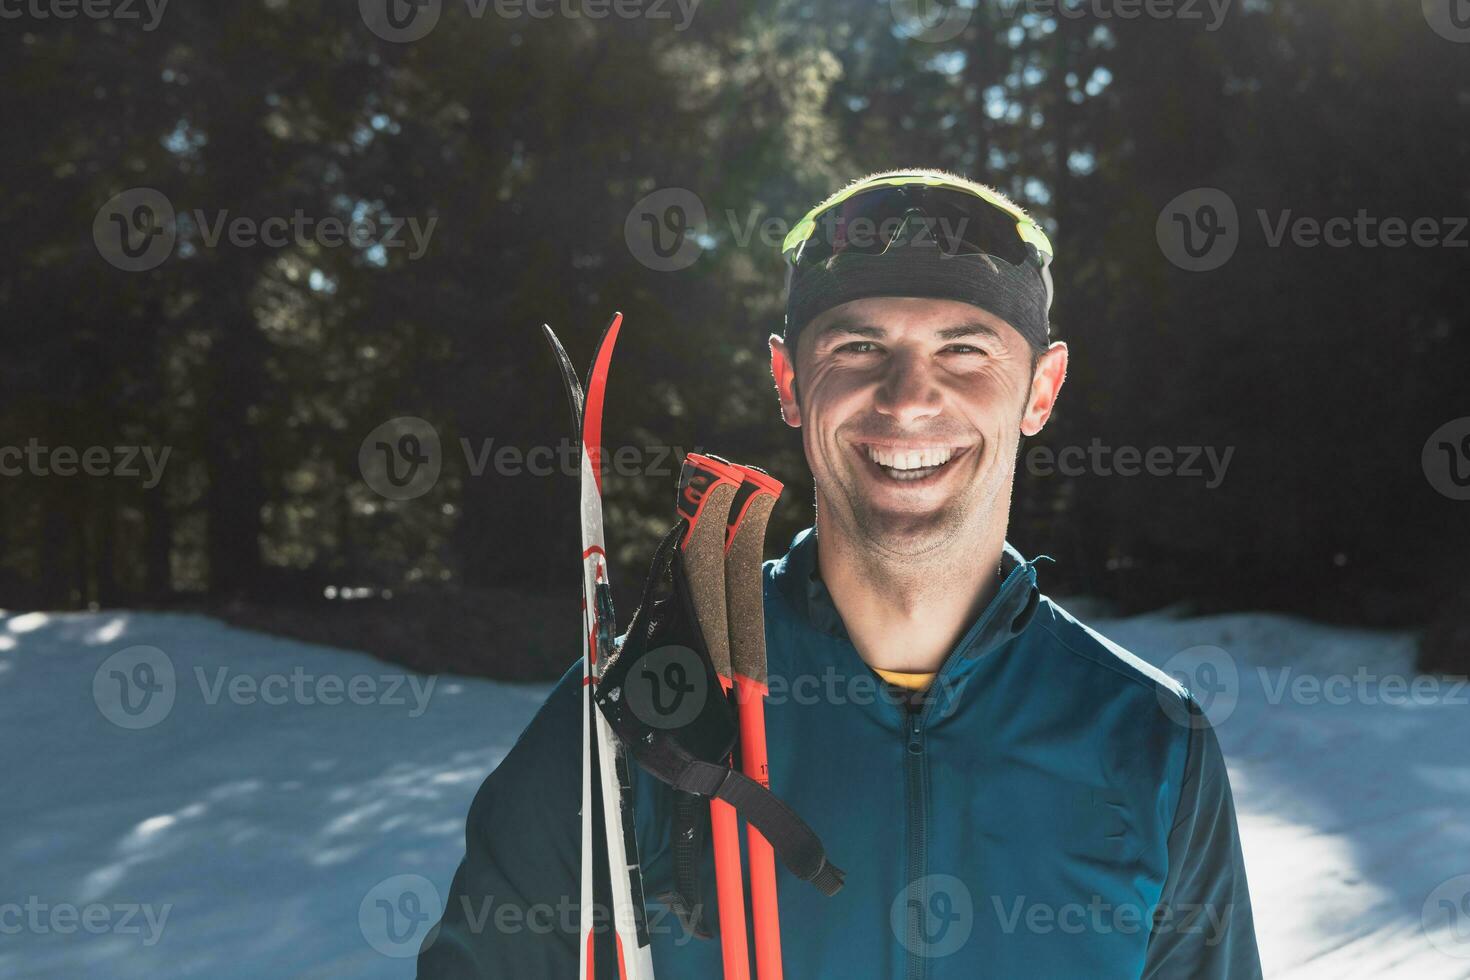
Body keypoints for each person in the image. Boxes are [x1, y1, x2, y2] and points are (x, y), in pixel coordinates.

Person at [417, 169, 1262, 979]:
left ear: (1042, 389)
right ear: (789, 379)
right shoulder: (641, 709)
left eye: (965, 350)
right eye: (859, 345)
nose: (905, 399)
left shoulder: (1148, 741)